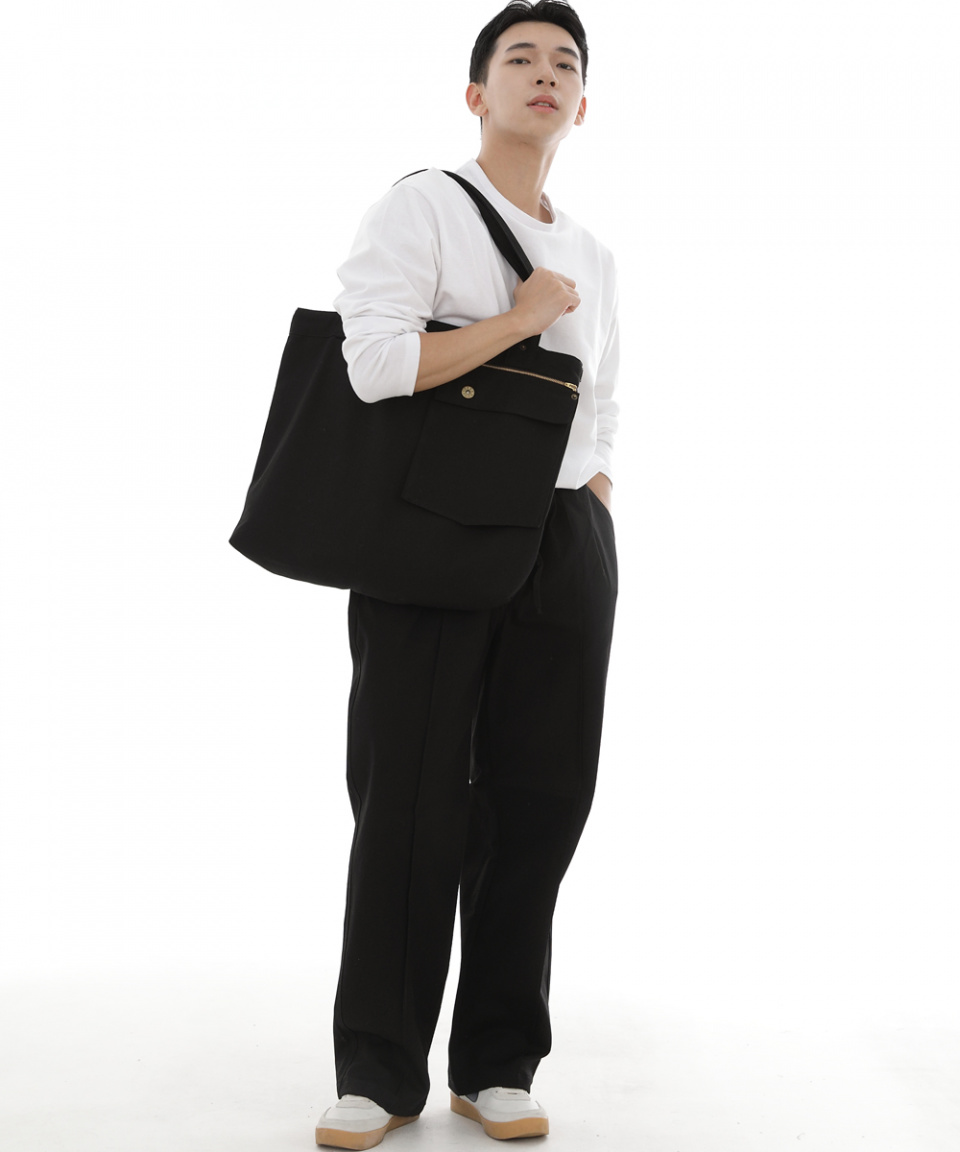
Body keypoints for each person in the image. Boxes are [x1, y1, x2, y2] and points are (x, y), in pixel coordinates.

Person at [315, 2, 619, 1146]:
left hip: (563, 538)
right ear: (476, 93)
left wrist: (592, 496)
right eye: (519, 58)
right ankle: (377, 1070)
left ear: (581, 104)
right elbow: (376, 364)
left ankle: (497, 1062)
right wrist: (526, 317)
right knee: (409, 799)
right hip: (433, 535)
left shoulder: (594, 252)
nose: (545, 74)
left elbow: (603, 400)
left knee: (541, 803)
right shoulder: (425, 206)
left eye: (565, 63)